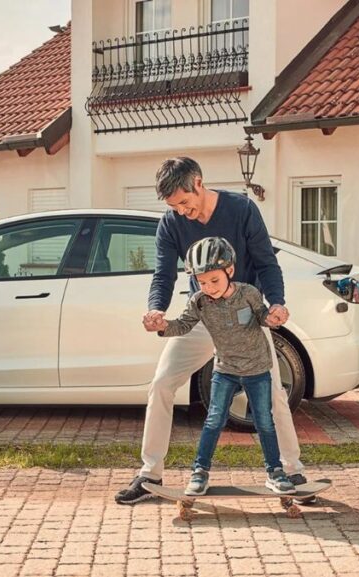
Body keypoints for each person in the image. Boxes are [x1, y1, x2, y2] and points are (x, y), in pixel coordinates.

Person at [114, 157, 306, 505]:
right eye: (174, 206)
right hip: (203, 316)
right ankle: (149, 473)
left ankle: (292, 471)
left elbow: (266, 263)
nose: (181, 211)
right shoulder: (171, 223)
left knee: (274, 393)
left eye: (184, 203)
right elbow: (163, 275)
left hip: (246, 319)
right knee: (161, 384)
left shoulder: (241, 209)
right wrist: (157, 308)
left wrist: (276, 303)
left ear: (198, 183)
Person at [156, 237, 297, 495]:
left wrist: (275, 317)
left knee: (265, 422)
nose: (208, 287)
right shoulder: (199, 302)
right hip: (225, 370)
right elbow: (183, 325)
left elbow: (264, 318)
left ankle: (275, 472)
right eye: (202, 282)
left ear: (229, 271)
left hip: (257, 370)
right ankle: (200, 472)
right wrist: (163, 326)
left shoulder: (249, 294)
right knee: (213, 421)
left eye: (214, 280)